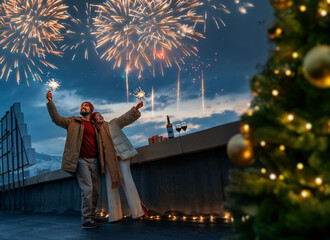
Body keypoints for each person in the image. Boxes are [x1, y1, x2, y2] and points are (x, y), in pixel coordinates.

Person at [46, 90, 106, 229]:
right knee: (88, 190)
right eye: (81, 105)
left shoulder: (95, 125)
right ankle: (86, 219)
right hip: (81, 161)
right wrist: (50, 102)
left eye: (85, 105)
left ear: (91, 110)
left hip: (95, 161)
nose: (82, 107)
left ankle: (92, 216)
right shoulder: (73, 122)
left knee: (96, 190)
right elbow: (56, 119)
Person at [91, 101, 148, 223]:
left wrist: (134, 109)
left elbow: (125, 118)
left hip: (122, 155)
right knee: (111, 185)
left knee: (127, 180)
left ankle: (138, 212)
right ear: (94, 121)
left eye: (100, 114)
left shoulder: (113, 123)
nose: (100, 116)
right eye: (97, 116)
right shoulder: (95, 135)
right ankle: (115, 216)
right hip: (108, 161)